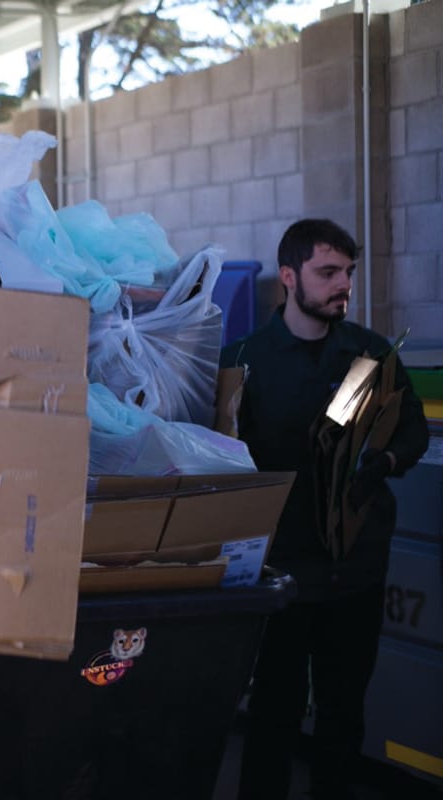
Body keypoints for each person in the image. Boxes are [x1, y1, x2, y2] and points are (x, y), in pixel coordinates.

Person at [222, 218, 429, 799]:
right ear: (290, 277)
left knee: (343, 715)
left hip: (354, 569)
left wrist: (382, 464)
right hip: (281, 571)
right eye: (329, 272)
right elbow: (220, 456)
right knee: (274, 713)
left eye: (349, 273)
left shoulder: (370, 353)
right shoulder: (246, 361)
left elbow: (411, 434)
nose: (344, 285)